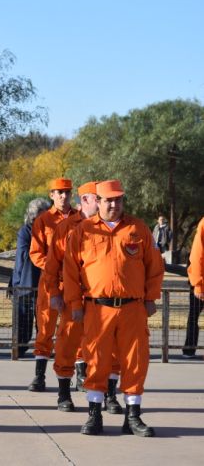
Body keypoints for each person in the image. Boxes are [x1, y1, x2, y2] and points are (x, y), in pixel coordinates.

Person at [63, 180, 163, 437]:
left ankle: (133, 417)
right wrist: (75, 303)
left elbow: (155, 267)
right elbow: (71, 271)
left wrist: (151, 298)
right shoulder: (83, 230)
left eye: (118, 200)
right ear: (98, 201)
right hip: (97, 308)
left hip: (133, 308)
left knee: (135, 362)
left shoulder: (137, 229)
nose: (114, 204)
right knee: (96, 360)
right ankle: (94, 415)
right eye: (108, 200)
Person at [44, 182, 123, 413]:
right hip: (72, 297)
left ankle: (109, 395)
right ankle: (63, 393)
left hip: (102, 299)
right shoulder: (67, 227)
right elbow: (52, 265)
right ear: (84, 200)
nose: (96, 202)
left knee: (110, 348)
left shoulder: (111, 227)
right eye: (91, 198)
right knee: (67, 344)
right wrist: (54, 293)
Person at [28, 177, 73, 392]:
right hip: (49, 283)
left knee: (74, 330)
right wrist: (54, 267)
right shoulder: (43, 221)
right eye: (60, 192)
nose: (64, 196)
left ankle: (79, 375)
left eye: (67, 193)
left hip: (74, 284)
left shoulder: (81, 220)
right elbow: (36, 254)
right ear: (51, 195)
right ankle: (39, 376)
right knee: (45, 329)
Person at [9, 197, 50, 357]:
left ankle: (44, 348)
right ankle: (19, 347)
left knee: (44, 320)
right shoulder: (25, 231)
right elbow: (22, 256)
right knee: (23, 319)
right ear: (33, 216)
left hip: (44, 282)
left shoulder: (49, 231)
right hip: (25, 283)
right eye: (40, 215)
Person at [184, 216, 204, 358]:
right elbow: (197, 255)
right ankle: (189, 349)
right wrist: (198, 285)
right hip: (201, 284)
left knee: (193, 317)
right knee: (193, 317)